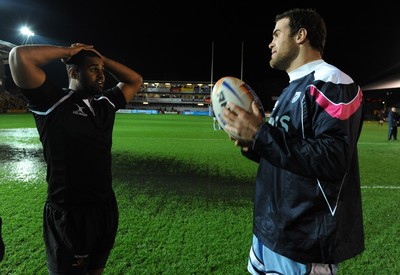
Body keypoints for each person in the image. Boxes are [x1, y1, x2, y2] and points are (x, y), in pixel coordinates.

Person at [221, 8, 364, 275]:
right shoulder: (291, 89)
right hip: (270, 231)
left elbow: (333, 159)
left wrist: (261, 135)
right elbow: (289, 152)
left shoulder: (331, 81)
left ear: (300, 35)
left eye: (277, 34)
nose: (270, 43)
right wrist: (254, 145)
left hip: (303, 241)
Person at [8, 43, 143, 274]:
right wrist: (68, 52)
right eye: (93, 70)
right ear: (73, 73)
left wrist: (101, 59)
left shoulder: (105, 104)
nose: (102, 75)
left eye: (101, 70)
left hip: (104, 208)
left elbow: (135, 80)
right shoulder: (51, 101)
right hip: (69, 215)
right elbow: (19, 56)